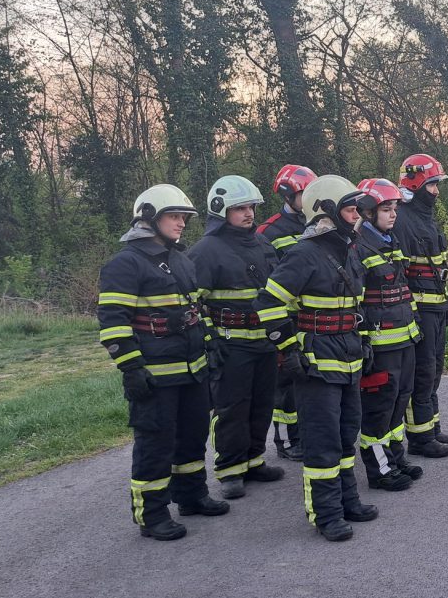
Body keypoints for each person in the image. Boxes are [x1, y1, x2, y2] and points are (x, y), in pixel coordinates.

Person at [97, 184, 229, 540]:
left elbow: (194, 309)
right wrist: (131, 368)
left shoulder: (180, 260)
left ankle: (192, 496)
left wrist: (210, 343)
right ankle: (151, 514)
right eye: (174, 217)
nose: (182, 224)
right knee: (155, 445)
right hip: (155, 376)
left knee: (192, 438)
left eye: (184, 218)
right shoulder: (125, 264)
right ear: (148, 218)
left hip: (192, 370)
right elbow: (113, 323)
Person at [253, 174, 378, 541]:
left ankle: (347, 501)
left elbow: (358, 305)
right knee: (322, 441)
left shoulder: (350, 249)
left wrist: (365, 342)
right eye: (351, 209)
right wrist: (289, 349)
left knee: (344, 436)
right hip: (318, 361)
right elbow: (269, 302)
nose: (358, 216)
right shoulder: (304, 254)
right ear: (326, 211)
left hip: (349, 356)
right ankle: (325, 515)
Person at [188, 175, 284, 500]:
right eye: (239, 208)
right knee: (232, 408)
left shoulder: (262, 244)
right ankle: (229, 470)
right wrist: (208, 339)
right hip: (231, 344)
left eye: (251, 207)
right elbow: (191, 302)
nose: (248, 214)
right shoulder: (205, 251)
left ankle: (254, 461)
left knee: (261, 405)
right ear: (220, 210)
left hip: (265, 342)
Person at [354, 177, 425, 491]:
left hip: (404, 338)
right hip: (380, 345)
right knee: (379, 409)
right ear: (368, 212)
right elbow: (354, 302)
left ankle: (396, 459)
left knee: (400, 401)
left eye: (395, 207)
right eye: (386, 208)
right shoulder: (357, 248)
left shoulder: (391, 241)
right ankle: (380, 471)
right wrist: (362, 342)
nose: (393, 214)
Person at [393, 154, 448, 456]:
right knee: (421, 373)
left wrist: (445, 305)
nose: (436, 191)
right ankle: (420, 439)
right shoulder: (404, 220)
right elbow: (400, 276)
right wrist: (413, 313)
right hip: (420, 312)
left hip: (436, 307)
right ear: (416, 182)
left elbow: (435, 267)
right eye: (432, 184)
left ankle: (431, 428)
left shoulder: (423, 216)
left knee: (434, 371)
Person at [256, 165, 317, 461]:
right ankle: (286, 441)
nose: (309, 200)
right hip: (285, 317)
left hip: (310, 318)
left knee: (306, 380)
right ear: (288, 194)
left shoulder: (316, 225)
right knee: (285, 383)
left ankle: (305, 435)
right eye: (304, 194)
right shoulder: (269, 232)